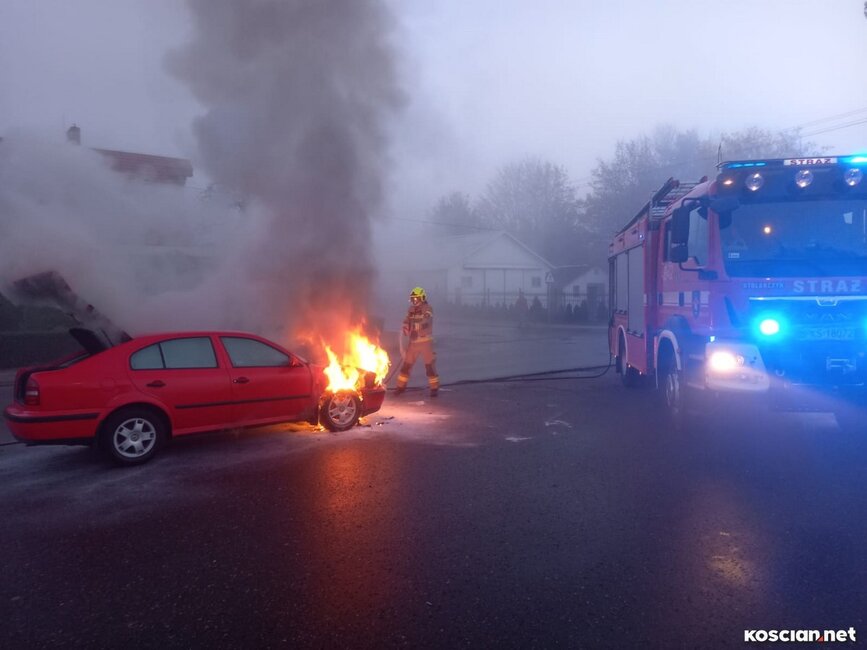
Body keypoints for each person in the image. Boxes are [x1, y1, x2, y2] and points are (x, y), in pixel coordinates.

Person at [395, 286, 440, 397]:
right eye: (413, 299)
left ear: (422, 298)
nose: (414, 301)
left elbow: (426, 320)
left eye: (416, 299)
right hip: (413, 343)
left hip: (425, 342)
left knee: (429, 367)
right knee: (406, 366)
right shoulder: (411, 309)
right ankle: (400, 387)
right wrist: (405, 327)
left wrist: (415, 328)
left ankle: (434, 388)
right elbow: (406, 320)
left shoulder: (428, 308)